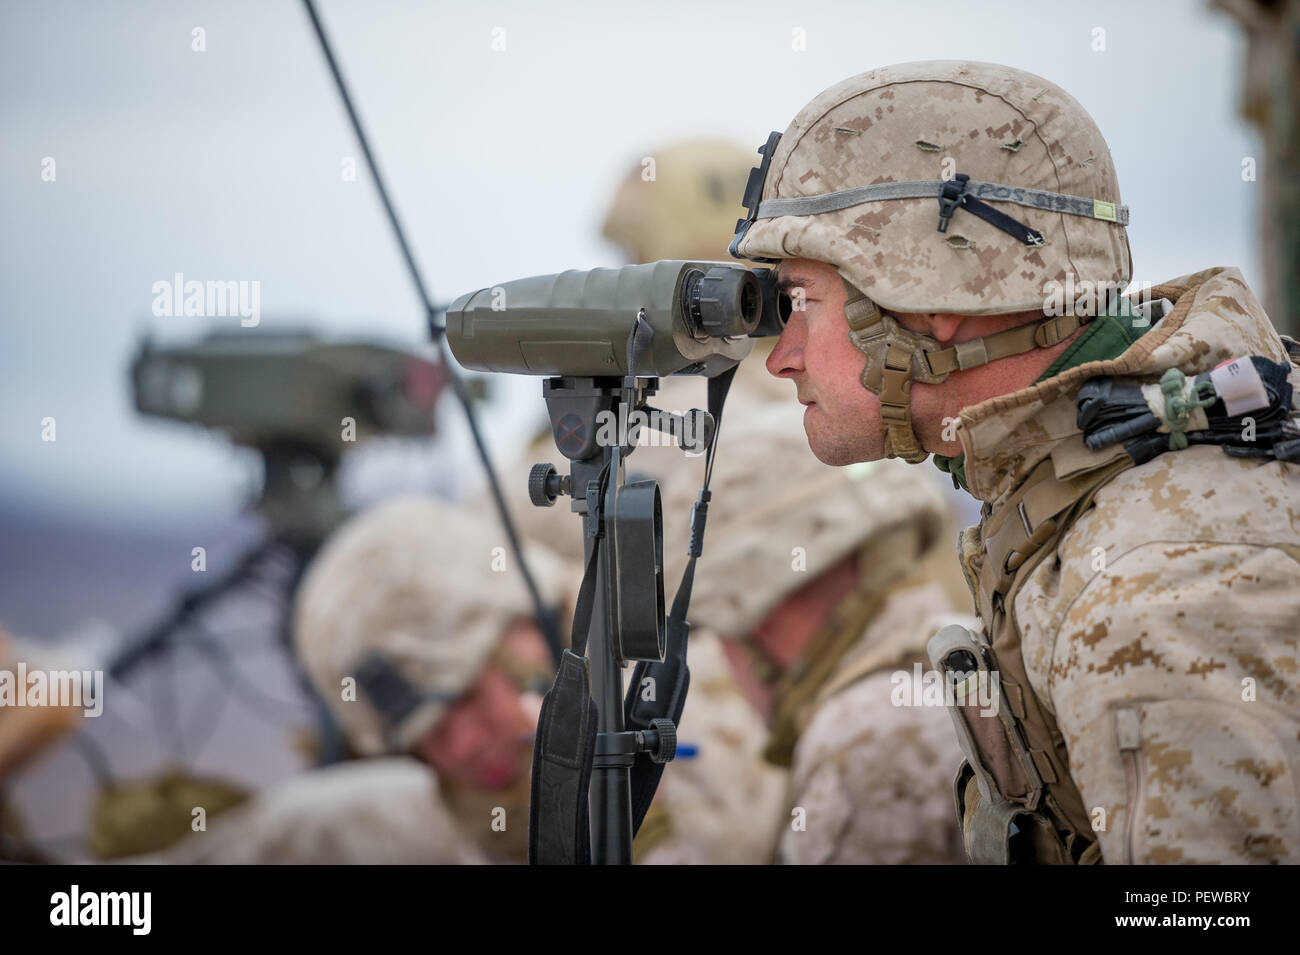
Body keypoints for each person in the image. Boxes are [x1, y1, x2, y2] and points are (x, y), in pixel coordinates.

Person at [730, 59, 1300, 864]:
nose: (780, 358)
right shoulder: (1091, 480)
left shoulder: (1155, 582)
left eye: (801, 303)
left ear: (931, 296)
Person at [644, 401, 972, 864]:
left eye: (712, 627)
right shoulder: (961, 653)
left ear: (754, 609)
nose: (718, 650)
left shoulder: (863, 737)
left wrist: (650, 838)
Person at [159, 495, 571, 864]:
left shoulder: (629, 693)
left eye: (465, 696)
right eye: (425, 736)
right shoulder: (440, 810)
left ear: (527, 626)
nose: (462, 747)